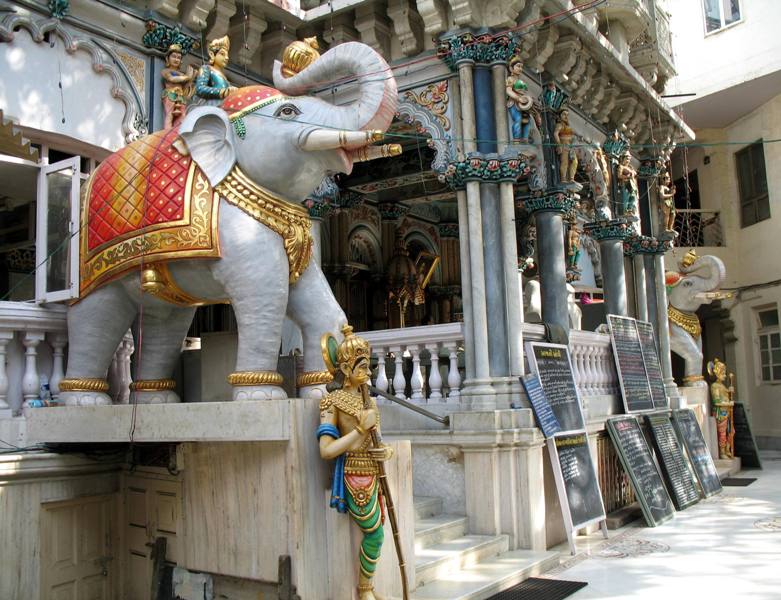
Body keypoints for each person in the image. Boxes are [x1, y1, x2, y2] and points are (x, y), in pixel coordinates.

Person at [317, 325, 394, 600]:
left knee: (378, 533)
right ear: (347, 369)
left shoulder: (368, 400)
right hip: (353, 474)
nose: (369, 373)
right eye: (362, 366)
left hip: (376, 474)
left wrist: (386, 452)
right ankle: (364, 591)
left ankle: (368, 589)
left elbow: (379, 441)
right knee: (375, 535)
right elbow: (326, 451)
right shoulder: (331, 402)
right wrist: (359, 431)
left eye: (369, 366)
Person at [193, 36, 237, 105]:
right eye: (222, 54)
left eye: (227, 55)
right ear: (212, 54)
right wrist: (222, 92)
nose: (226, 58)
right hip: (212, 106)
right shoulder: (206, 68)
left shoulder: (225, 79)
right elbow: (200, 89)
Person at [160, 44, 194, 129]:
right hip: (170, 94)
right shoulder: (165, 71)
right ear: (168, 59)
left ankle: (178, 135)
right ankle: (167, 133)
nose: (176, 59)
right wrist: (187, 77)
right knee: (170, 114)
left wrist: (190, 79)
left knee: (182, 115)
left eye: (178, 58)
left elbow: (186, 86)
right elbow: (172, 79)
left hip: (180, 96)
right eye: (174, 57)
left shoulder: (182, 75)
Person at [708, 358, 735, 459]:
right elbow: (717, 401)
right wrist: (729, 404)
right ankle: (722, 452)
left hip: (726, 411)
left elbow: (725, 396)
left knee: (731, 431)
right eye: (722, 373)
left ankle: (728, 449)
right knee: (722, 433)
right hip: (721, 412)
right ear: (717, 373)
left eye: (724, 372)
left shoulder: (722, 386)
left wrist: (729, 391)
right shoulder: (715, 386)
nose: (724, 375)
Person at [505, 56, 533, 143]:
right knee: (518, 119)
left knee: (527, 121)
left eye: (521, 66)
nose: (520, 69)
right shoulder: (511, 79)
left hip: (524, 104)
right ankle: (516, 140)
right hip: (514, 102)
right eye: (518, 66)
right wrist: (518, 98)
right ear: (511, 68)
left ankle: (525, 139)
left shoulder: (522, 82)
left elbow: (525, 93)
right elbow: (508, 91)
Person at [553, 109, 578, 182]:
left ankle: (571, 178)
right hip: (564, 145)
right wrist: (559, 144)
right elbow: (555, 134)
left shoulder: (568, 126)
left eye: (567, 115)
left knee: (574, 161)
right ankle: (563, 178)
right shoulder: (559, 125)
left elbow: (574, 133)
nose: (566, 116)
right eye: (564, 114)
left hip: (570, 146)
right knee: (565, 162)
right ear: (560, 116)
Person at [616, 152, 639, 216]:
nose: (628, 161)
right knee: (626, 197)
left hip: (632, 185)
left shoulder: (630, 167)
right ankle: (625, 211)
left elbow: (635, 175)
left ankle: (630, 209)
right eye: (626, 159)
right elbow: (619, 175)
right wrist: (628, 177)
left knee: (633, 197)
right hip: (625, 184)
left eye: (629, 159)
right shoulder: (621, 167)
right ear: (623, 159)